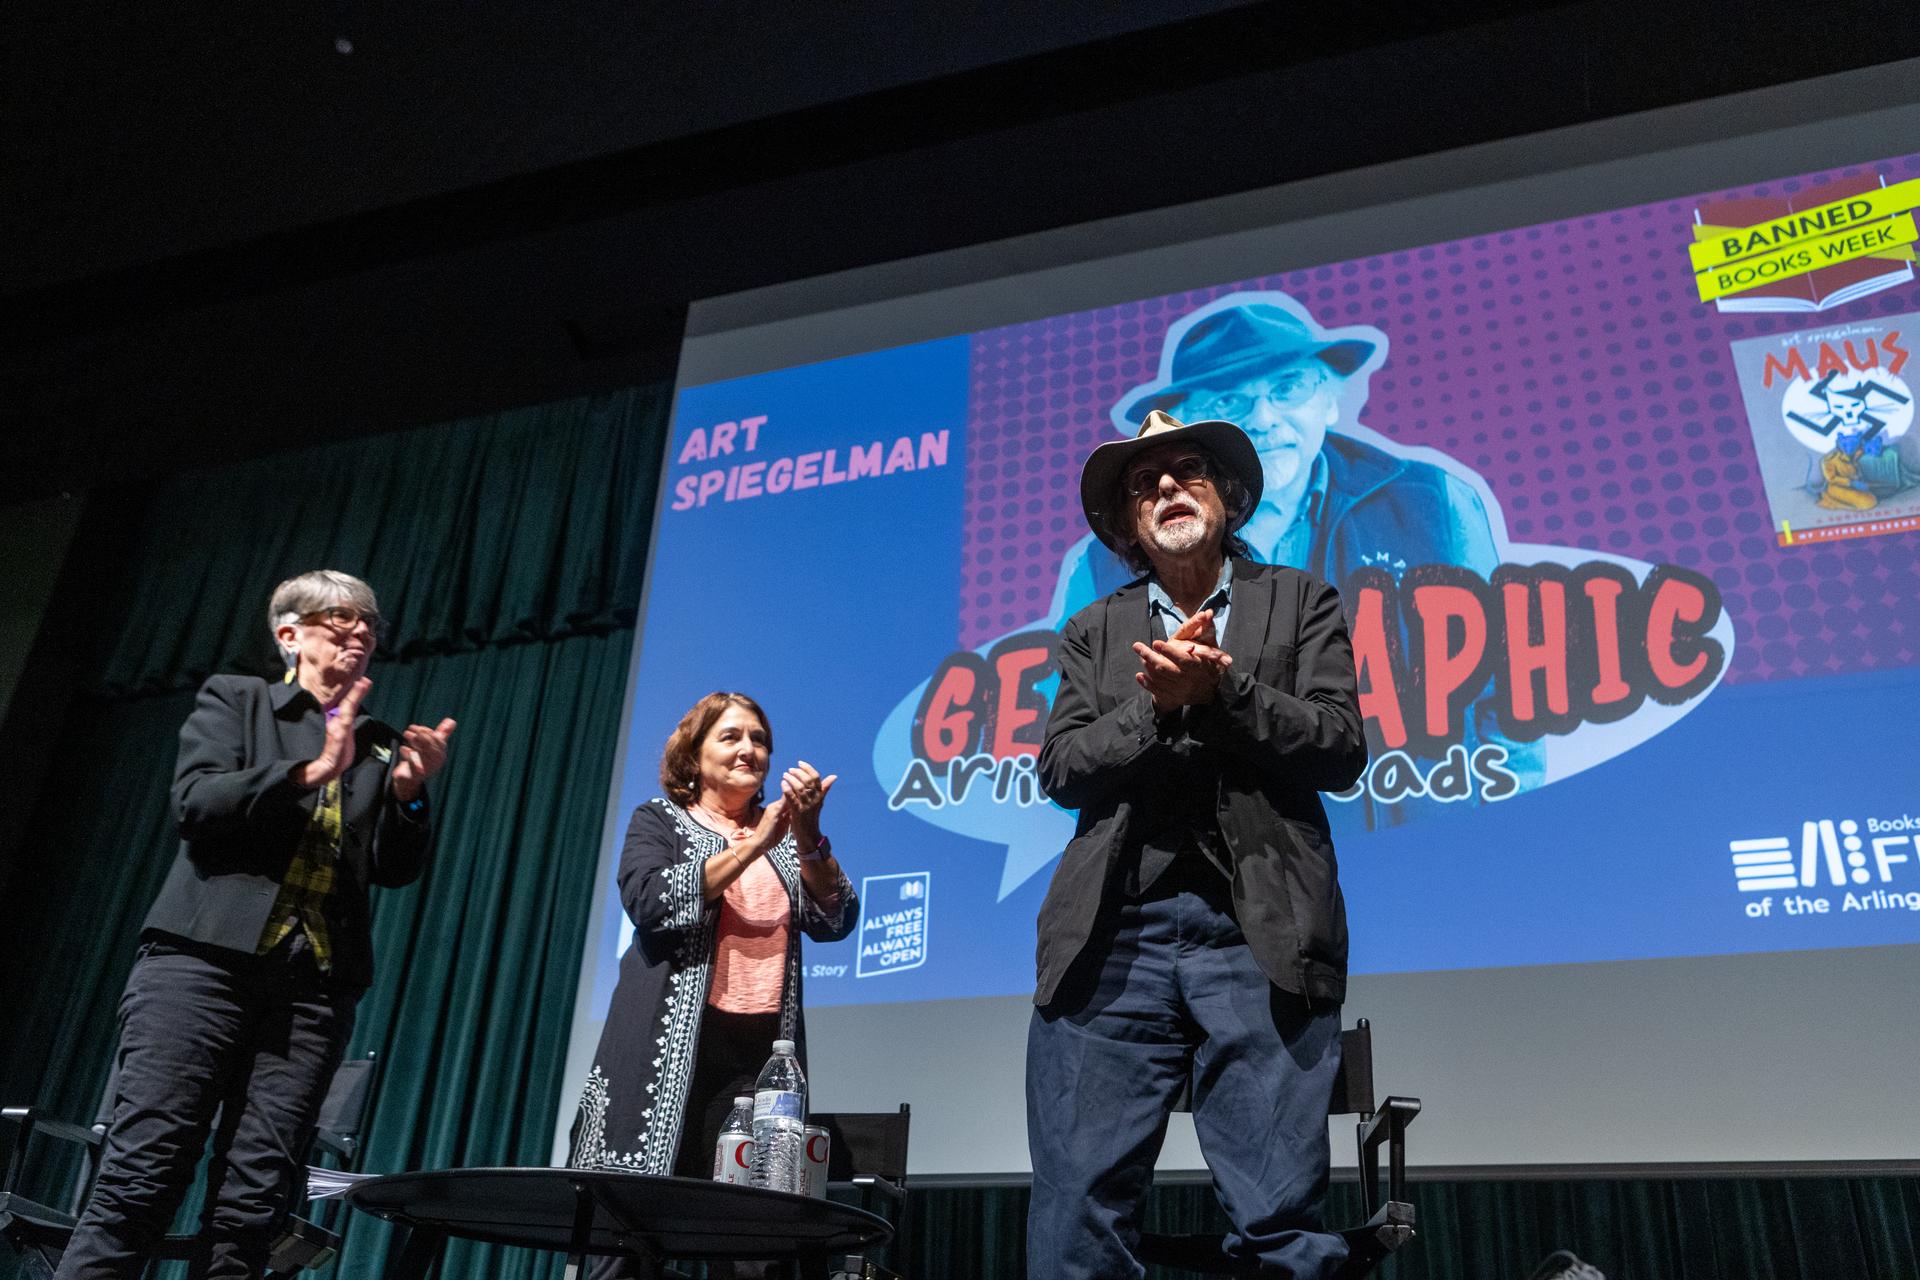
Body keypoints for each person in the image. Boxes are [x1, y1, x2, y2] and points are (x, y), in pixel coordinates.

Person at [1027, 410, 1368, 1279]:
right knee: (1076, 1220)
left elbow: (1340, 747)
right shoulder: (1093, 631)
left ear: (1229, 497)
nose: (1168, 488)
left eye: (1188, 472)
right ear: (1129, 525)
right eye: (1147, 484)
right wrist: (1157, 707)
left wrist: (1225, 692)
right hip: (1113, 941)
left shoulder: (1299, 601)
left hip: (1258, 936)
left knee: (1279, 1221)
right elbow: (1062, 768)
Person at [56, 571, 455, 1280]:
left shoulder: (382, 743)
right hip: (198, 969)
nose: (360, 632)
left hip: (311, 990)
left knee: (253, 1209)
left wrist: (409, 799)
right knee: (139, 1183)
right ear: (289, 634)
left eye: (370, 625)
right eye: (340, 619)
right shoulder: (238, 703)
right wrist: (308, 772)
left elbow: (393, 870)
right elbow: (198, 804)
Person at [1052, 291, 1539, 815]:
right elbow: (1067, 760)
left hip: (1398, 826)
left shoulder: (1435, 502)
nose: (1264, 417)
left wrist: (1507, 820)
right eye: (1229, 402)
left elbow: (1509, 696)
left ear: (1330, 400)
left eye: (1289, 388)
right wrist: (1157, 706)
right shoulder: (1098, 573)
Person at [569, 693, 856, 1274]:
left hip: (759, 1060)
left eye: (759, 739)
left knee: (752, 1238)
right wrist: (756, 845)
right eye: (730, 737)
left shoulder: (785, 842)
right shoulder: (661, 821)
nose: (749, 749)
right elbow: (651, 901)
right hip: (664, 1055)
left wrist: (808, 836)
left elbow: (836, 919)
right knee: (629, 1233)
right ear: (693, 757)